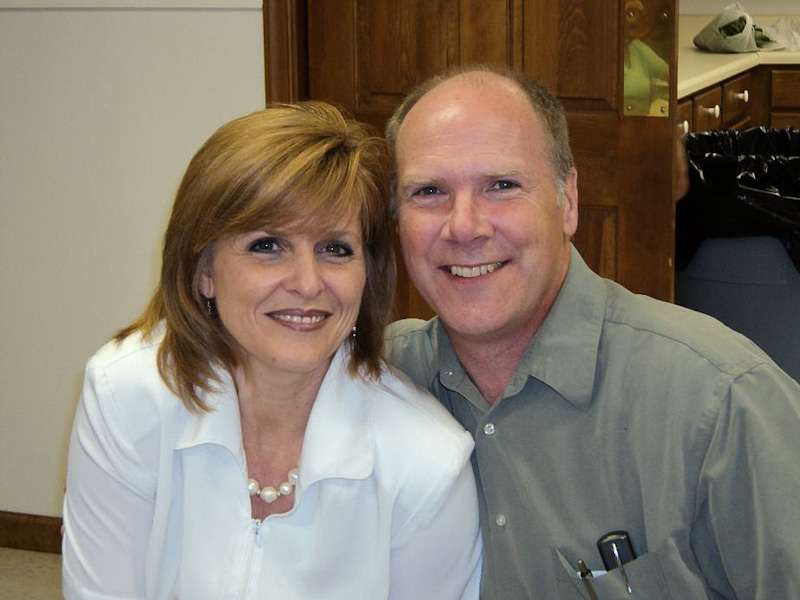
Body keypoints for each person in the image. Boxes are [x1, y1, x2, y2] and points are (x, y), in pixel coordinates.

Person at [383, 64, 800, 598]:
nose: (464, 226)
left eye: (502, 185)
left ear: (569, 202)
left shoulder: (720, 403)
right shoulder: (380, 381)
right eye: (429, 191)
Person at [62, 102, 482, 599]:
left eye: (335, 249)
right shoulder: (125, 393)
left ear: (367, 276)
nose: (307, 283)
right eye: (267, 246)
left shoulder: (427, 460)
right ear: (204, 270)